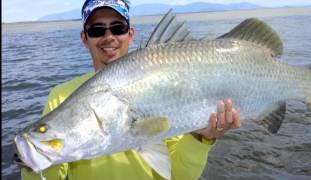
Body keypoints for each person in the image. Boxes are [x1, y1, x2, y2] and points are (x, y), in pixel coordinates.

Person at [20, 0, 241, 179]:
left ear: (130, 34)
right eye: (97, 30)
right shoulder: (61, 96)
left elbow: (178, 175)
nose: (109, 37)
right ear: (84, 39)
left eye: (118, 28)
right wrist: (33, 161)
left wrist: (200, 138)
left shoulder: (167, 83)